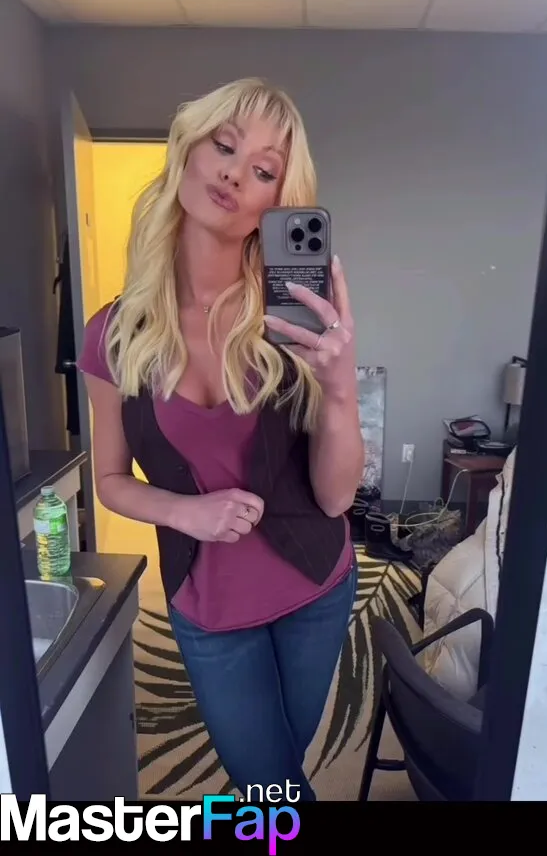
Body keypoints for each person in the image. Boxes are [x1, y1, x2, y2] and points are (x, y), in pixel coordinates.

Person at [77, 77, 364, 802]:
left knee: (273, 788)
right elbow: (108, 480)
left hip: (316, 589)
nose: (236, 173)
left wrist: (340, 389)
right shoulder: (112, 335)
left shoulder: (292, 321)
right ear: (188, 150)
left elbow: (336, 498)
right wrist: (185, 512)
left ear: (277, 203)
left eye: (264, 170)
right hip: (207, 604)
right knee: (271, 787)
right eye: (224, 145)